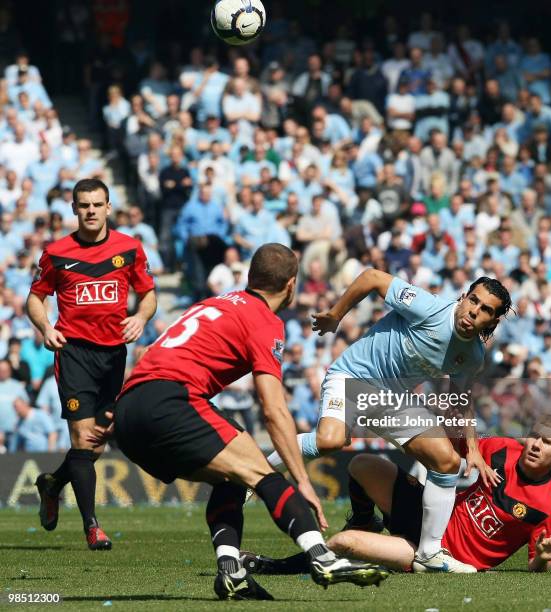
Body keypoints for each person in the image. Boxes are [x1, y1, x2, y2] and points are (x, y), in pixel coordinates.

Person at [103, 243, 388, 600]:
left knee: (232, 477)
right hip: (170, 401)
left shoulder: (215, 303)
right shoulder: (264, 320)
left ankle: (231, 570)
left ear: (251, 277)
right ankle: (322, 556)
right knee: (265, 477)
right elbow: (273, 409)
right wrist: (302, 480)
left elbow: (149, 353)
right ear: (290, 285)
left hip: (129, 410)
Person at [267, 272, 511, 572]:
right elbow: (371, 278)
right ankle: (259, 469)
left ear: (492, 322)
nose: (475, 310)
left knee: (447, 462)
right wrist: (335, 315)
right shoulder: (429, 307)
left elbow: (461, 399)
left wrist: (472, 447)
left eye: (486, 309)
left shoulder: (473, 356)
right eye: (474, 300)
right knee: (329, 440)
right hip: (353, 376)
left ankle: (429, 555)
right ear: (463, 297)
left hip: (392, 400)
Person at [245, 414, 551, 574]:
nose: (535, 445)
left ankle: (272, 567)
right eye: (534, 437)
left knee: (344, 544)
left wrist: (542, 557)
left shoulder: (547, 508)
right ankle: (365, 521)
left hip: (442, 554)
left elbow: (535, 570)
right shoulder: (503, 449)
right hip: (431, 516)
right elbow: (448, 448)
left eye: (547, 443)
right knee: (362, 464)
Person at [26, 178, 156, 550]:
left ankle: (51, 486)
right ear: (74, 209)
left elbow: (148, 295)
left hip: (114, 355)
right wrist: (45, 327)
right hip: (74, 353)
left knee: (96, 445)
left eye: (97, 204)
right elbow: (35, 298)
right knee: (83, 439)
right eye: (84, 205)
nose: (91, 211)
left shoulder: (129, 249)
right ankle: (92, 527)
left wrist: (141, 318)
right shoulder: (57, 252)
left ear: (108, 207)